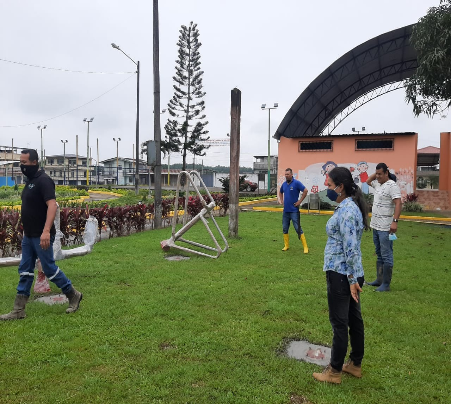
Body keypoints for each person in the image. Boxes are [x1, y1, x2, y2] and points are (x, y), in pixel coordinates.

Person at [0, 149, 82, 321]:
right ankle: (18, 310)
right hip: (29, 236)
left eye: (24, 163)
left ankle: (73, 294)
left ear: (34, 162)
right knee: (25, 270)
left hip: (41, 235)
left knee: (49, 269)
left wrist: (46, 231)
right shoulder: (30, 181)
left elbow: (52, 205)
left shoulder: (44, 180)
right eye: (20, 162)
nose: (22, 166)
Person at [313, 167, 368, 384]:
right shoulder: (349, 206)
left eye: (329, 184)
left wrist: (352, 280)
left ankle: (334, 371)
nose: (326, 187)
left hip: (342, 275)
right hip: (349, 274)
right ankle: (354, 364)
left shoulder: (347, 211)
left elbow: (350, 248)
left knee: (340, 323)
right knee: (354, 320)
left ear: (340, 186)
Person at [365, 163, 401, 292]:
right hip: (376, 226)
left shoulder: (392, 186)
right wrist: (377, 174)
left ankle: (386, 284)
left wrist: (395, 221)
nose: (378, 176)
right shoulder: (378, 184)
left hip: (386, 227)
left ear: (387, 173)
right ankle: (379, 280)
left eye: (380, 174)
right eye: (377, 174)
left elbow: (398, 203)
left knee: (386, 255)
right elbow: (368, 181)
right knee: (379, 254)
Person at [278, 168, 309, 253]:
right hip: (286, 211)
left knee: (297, 228)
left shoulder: (296, 183)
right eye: (285, 174)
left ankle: (305, 247)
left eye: (288, 174)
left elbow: (305, 190)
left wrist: (299, 201)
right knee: (285, 228)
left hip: (294, 211)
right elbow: (280, 192)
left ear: (292, 174)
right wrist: (282, 201)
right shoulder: (284, 184)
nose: (286, 176)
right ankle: (286, 245)